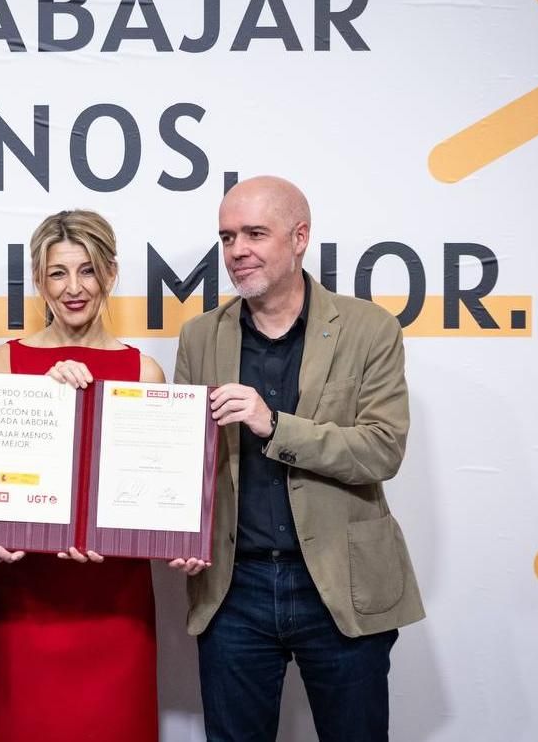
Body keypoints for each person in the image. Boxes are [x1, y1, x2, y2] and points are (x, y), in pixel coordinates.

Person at [174, 176, 425, 741]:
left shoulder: (369, 329)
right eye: (227, 236)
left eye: (255, 233)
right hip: (233, 592)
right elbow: (187, 459)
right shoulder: (199, 337)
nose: (237, 250)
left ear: (299, 237)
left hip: (340, 585)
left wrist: (274, 425)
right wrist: (179, 532)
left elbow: (383, 449)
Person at [0, 210, 165, 742]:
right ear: (39, 281)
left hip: (116, 601)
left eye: (87, 270)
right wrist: (43, 395)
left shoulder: (143, 372)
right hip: (27, 599)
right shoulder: (5, 362)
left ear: (110, 273)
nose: (74, 288)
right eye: (58, 273)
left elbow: (150, 495)